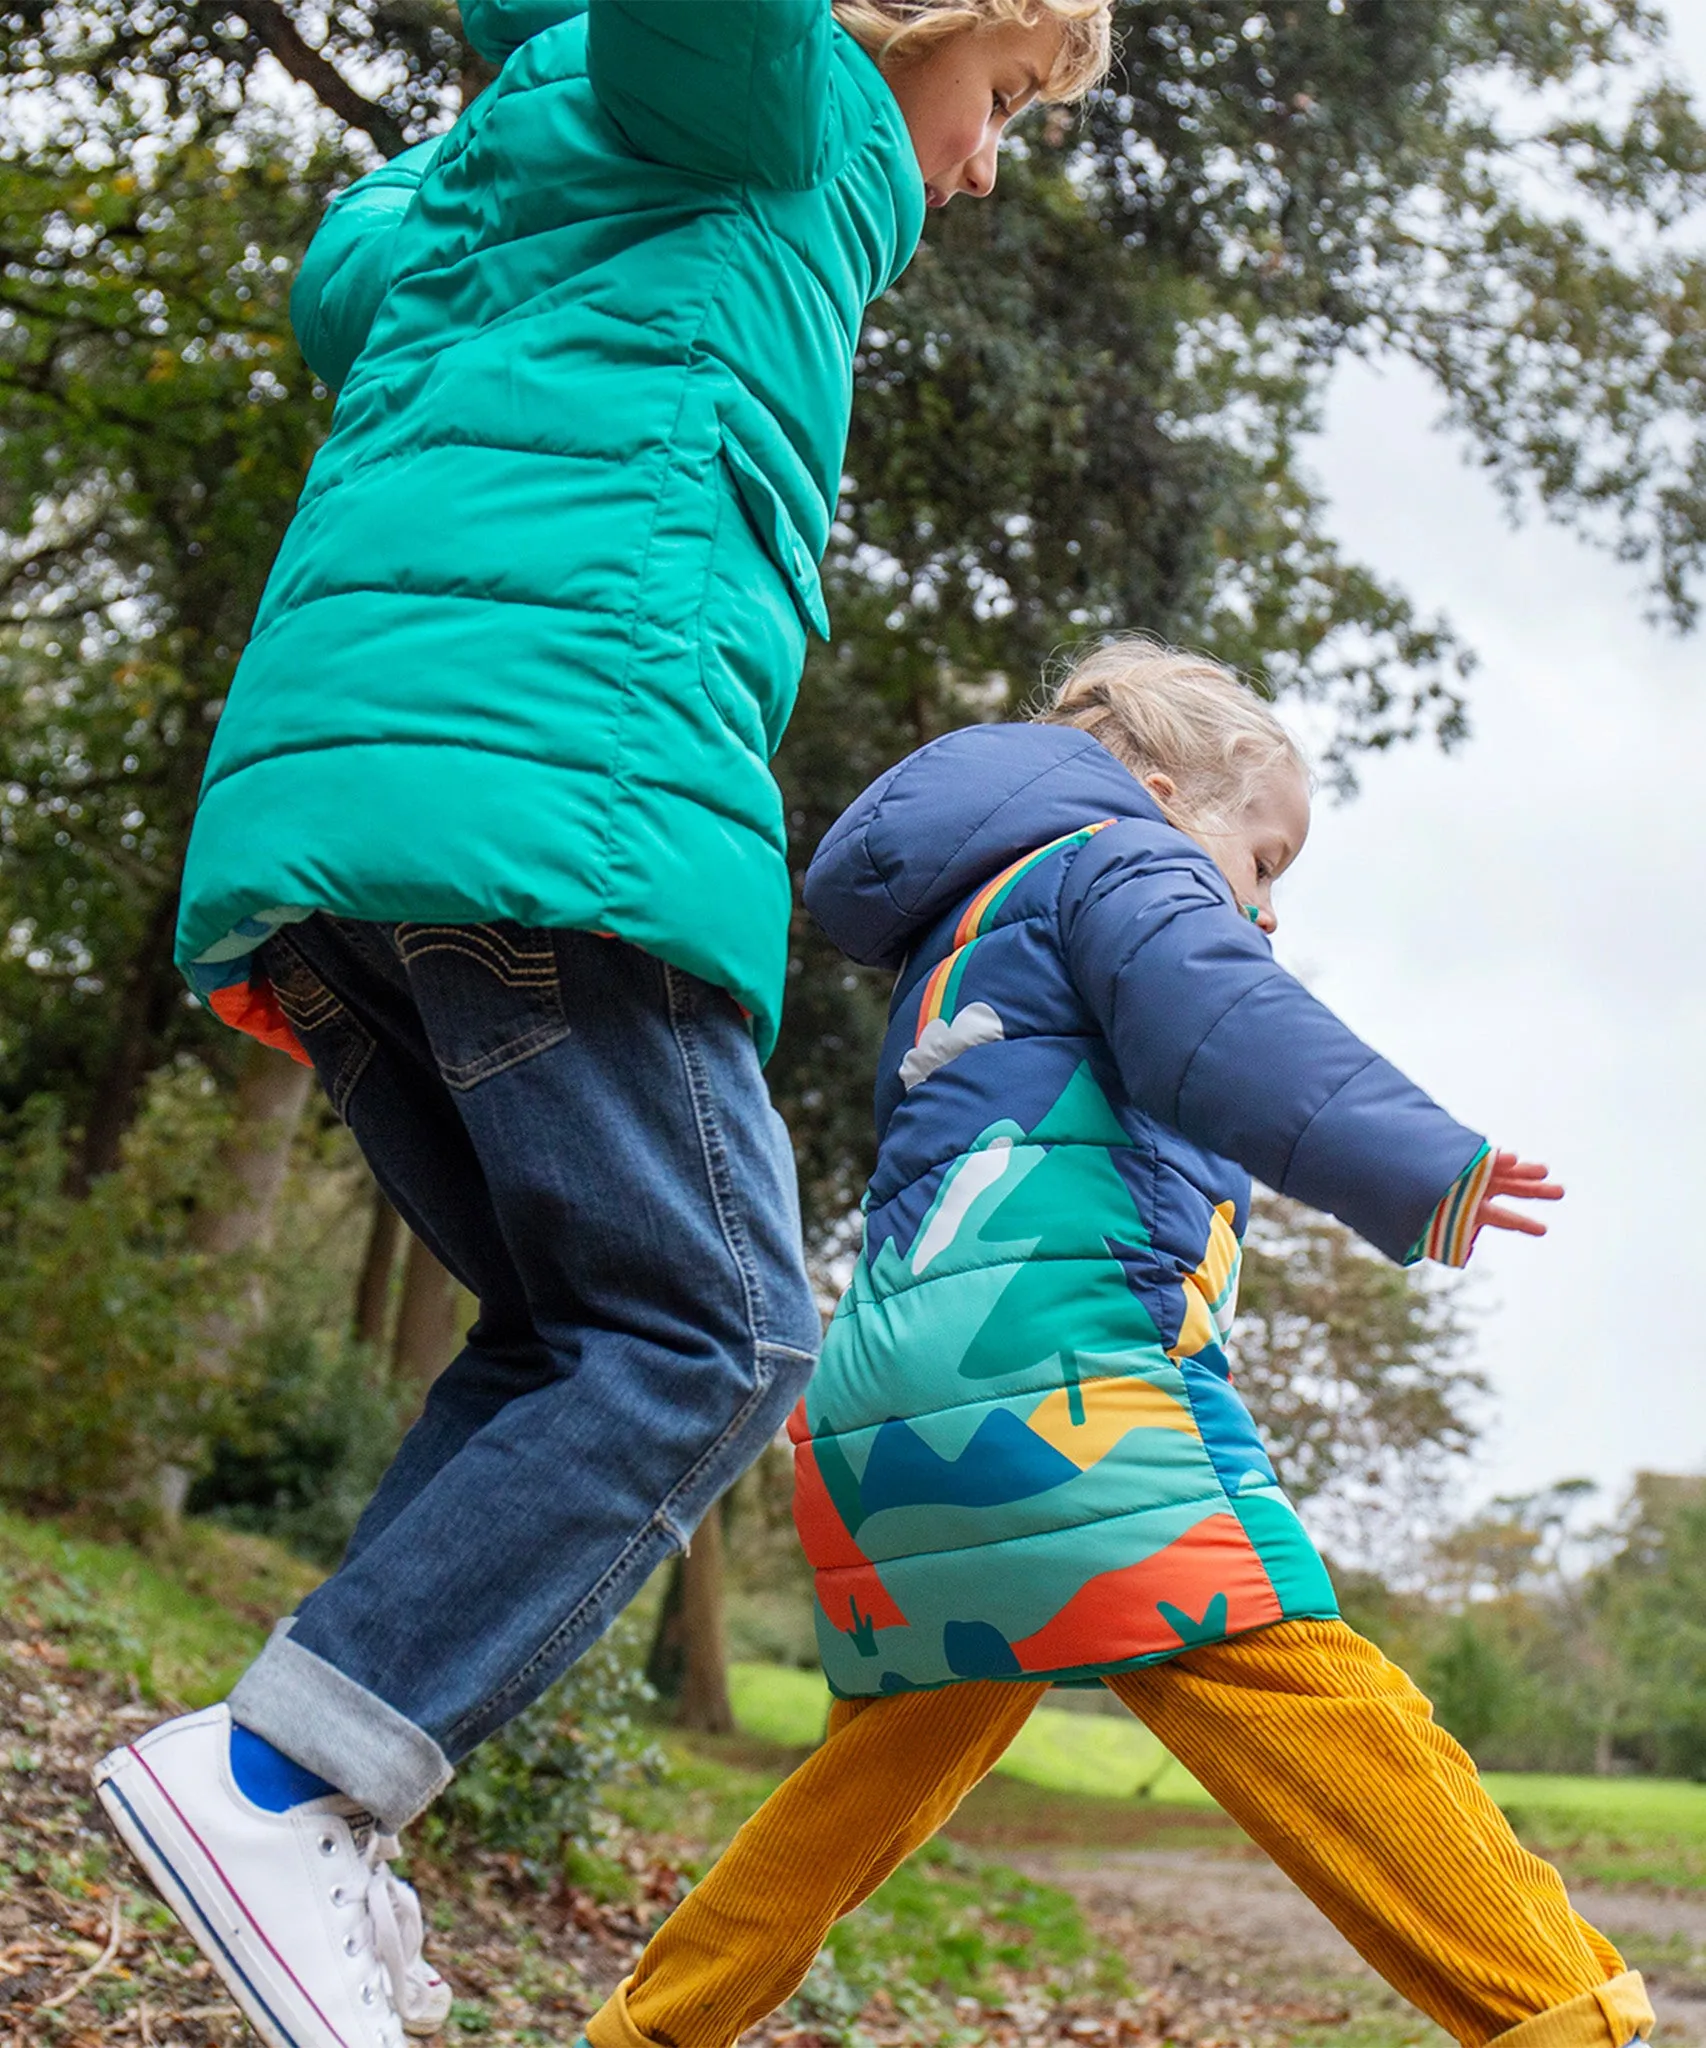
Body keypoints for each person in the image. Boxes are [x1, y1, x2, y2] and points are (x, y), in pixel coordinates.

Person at [92, 6, 1114, 2047]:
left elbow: (359, 273)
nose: (989, 168)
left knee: (578, 1337)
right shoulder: (756, 95)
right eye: (1002, 97)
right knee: (719, 1326)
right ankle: (275, 1783)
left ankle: (305, 1800)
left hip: (339, 844)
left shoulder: (524, 167)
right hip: (550, 810)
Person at [575, 638, 1653, 2048]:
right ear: (1156, 790)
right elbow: (1223, 1016)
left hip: (890, 1409)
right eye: (1262, 864)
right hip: (1063, 1387)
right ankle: (1575, 2020)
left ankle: (648, 2030)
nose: (1261, 909)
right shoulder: (1120, 862)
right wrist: (1415, 1162)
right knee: (1311, 1697)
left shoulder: (963, 930)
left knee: (871, 1780)